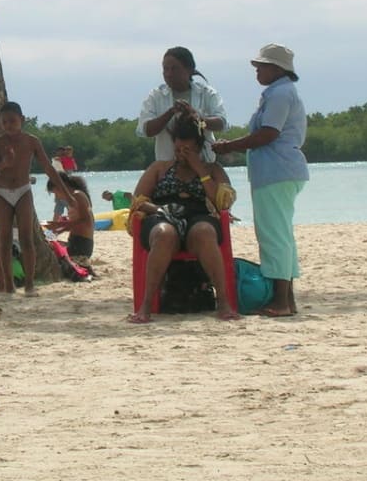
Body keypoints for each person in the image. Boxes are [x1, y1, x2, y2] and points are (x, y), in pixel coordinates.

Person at [212, 43, 308, 318]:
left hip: (276, 172)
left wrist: (230, 146)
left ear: (277, 69)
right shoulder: (281, 93)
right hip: (280, 172)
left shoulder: (280, 95)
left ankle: (280, 301)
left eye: (261, 67)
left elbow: (268, 134)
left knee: (273, 236)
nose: (257, 72)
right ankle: (286, 298)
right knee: (282, 235)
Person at [127, 113, 239, 323]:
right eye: (178, 149)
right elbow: (138, 201)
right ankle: (146, 306)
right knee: (164, 234)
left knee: (204, 232)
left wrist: (199, 169)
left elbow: (222, 203)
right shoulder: (160, 168)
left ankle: (224, 303)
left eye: (187, 150)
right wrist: (161, 210)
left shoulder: (212, 169)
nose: (182, 154)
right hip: (162, 214)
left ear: (198, 147)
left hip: (199, 215)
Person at [0, 102, 74, 296]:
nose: (9, 125)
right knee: (4, 239)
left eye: (13, 121)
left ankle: (30, 284)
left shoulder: (31, 141)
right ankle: (8, 285)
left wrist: (67, 195)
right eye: (5, 122)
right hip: (2, 193)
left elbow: (49, 169)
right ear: (0, 123)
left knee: (26, 237)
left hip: (23, 190)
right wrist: (2, 163)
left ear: (22, 120)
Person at [136, 46, 227, 162]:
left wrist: (197, 118)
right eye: (165, 69)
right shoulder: (155, 96)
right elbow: (147, 130)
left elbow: (221, 123)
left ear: (189, 70)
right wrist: (170, 112)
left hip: (202, 165)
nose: (169, 74)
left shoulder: (207, 93)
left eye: (174, 69)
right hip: (167, 167)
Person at [48, 173, 95, 261]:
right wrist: (57, 229)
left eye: (55, 192)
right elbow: (78, 222)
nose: (56, 196)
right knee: (48, 241)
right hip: (76, 243)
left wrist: (58, 226)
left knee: (47, 246)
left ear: (61, 186)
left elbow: (85, 221)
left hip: (81, 246)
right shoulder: (74, 196)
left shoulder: (77, 195)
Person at [50, 147, 66, 221]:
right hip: (61, 188)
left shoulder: (60, 162)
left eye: (63, 152)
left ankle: (54, 224)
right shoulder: (56, 162)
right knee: (69, 205)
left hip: (60, 188)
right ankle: (54, 224)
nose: (62, 154)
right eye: (61, 152)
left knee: (59, 207)